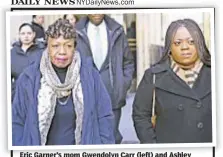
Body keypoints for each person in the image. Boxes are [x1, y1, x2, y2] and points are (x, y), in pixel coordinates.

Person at [12, 19, 114, 146]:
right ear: (47, 47)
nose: (62, 51)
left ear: (75, 47)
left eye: (68, 45)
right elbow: (17, 121)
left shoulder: (91, 76)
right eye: (55, 45)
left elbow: (104, 117)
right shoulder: (29, 78)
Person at [132, 19, 212, 143]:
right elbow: (140, 116)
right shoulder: (153, 76)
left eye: (191, 42)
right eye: (177, 43)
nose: (185, 47)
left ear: (200, 44)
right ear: (169, 47)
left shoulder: (214, 73)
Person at [76, 14, 135, 144]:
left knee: (112, 138)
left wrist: (122, 85)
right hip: (85, 95)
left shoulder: (117, 30)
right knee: (86, 138)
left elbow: (128, 61)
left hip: (113, 95)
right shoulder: (77, 31)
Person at [11, 23, 45, 100]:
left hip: (38, 95)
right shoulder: (12, 53)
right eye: (23, 33)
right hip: (17, 96)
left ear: (34, 34)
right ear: (19, 35)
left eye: (29, 33)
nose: (26, 36)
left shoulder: (42, 52)